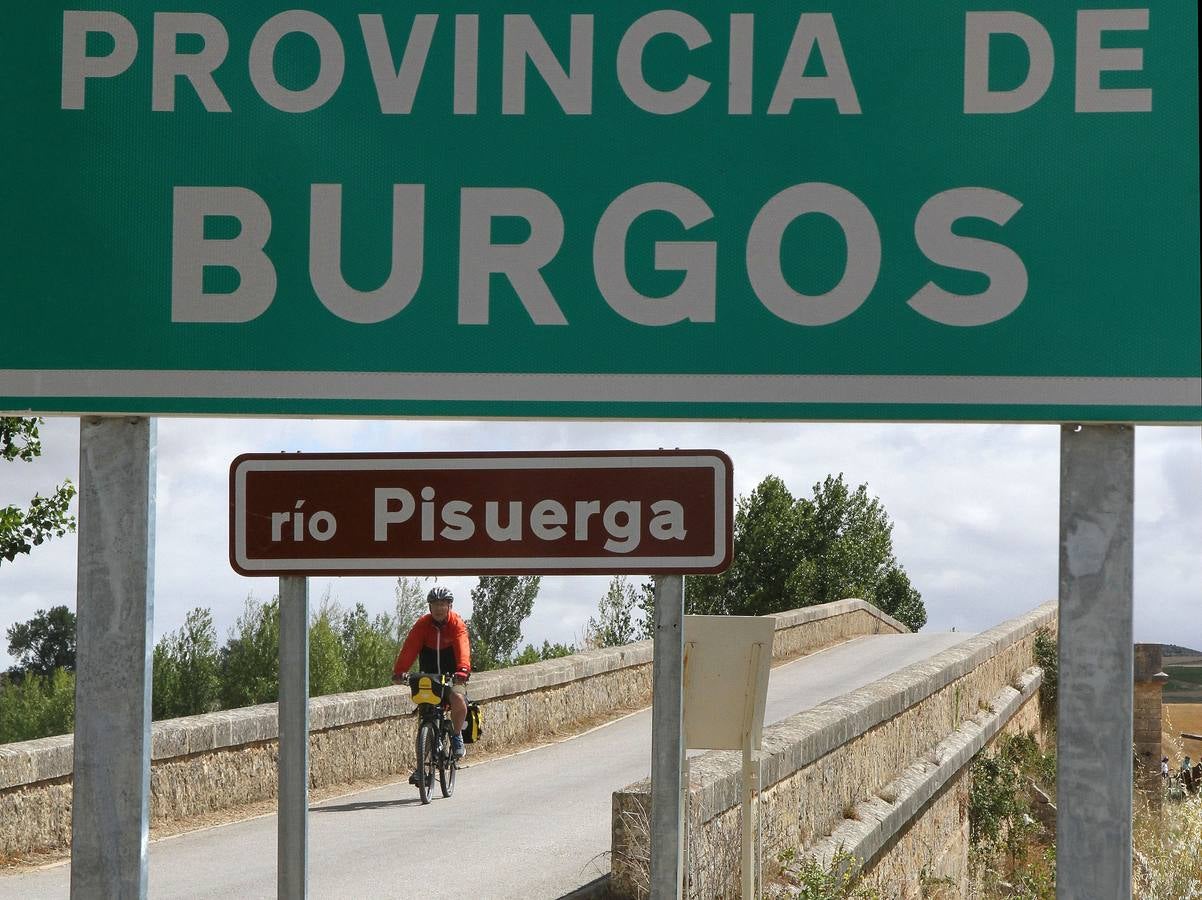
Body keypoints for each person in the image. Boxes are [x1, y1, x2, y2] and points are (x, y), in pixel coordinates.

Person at [392, 586, 471, 761]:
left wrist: (463, 669)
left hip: (453, 675)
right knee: (425, 718)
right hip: (427, 677)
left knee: (458, 699)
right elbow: (409, 649)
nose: (438, 608)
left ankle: (457, 736)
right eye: (435, 604)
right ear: (429, 607)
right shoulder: (423, 624)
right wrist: (399, 671)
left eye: (442, 604)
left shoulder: (456, 624)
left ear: (449, 606)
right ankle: (422, 765)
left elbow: (462, 647)